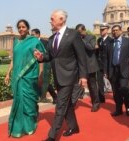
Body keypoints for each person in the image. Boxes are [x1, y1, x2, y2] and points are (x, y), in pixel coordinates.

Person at [34, 9, 88, 141]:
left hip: (69, 76)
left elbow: (82, 57)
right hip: (58, 77)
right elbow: (49, 56)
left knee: (60, 105)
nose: (50, 21)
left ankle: (52, 136)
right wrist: (41, 57)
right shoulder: (52, 38)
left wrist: (83, 76)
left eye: (52, 19)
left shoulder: (73, 35)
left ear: (61, 19)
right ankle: (74, 127)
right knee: (67, 104)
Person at [4, 19, 45, 137]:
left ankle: (29, 125)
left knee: (29, 102)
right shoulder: (16, 43)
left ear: (27, 28)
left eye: (23, 27)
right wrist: (8, 73)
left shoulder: (34, 41)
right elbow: (13, 59)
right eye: (19, 27)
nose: (21, 29)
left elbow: (41, 59)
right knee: (18, 101)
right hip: (17, 77)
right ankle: (17, 127)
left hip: (29, 77)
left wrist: (41, 74)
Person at [104, 24, 129, 117]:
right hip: (112, 70)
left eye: (116, 30)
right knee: (115, 92)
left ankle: (128, 105)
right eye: (113, 30)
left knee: (124, 89)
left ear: (121, 31)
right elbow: (106, 58)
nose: (114, 32)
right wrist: (106, 71)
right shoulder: (109, 43)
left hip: (124, 69)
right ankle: (118, 109)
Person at [75, 24, 100, 112]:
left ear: (84, 30)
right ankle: (73, 102)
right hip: (80, 65)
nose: (79, 33)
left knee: (92, 86)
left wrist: (82, 40)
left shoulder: (91, 37)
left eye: (80, 32)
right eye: (78, 32)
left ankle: (96, 103)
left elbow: (91, 47)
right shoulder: (76, 38)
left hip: (90, 66)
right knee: (77, 85)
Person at [31, 28, 57, 104]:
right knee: (41, 81)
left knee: (45, 81)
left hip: (46, 64)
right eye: (31, 35)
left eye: (33, 35)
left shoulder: (45, 42)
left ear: (38, 34)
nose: (31, 36)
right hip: (36, 64)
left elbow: (49, 54)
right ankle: (53, 97)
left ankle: (45, 97)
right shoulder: (31, 43)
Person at [96, 23, 113, 103]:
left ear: (107, 30)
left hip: (108, 64)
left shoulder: (110, 40)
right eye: (100, 29)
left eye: (103, 29)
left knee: (112, 81)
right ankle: (101, 98)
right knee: (100, 82)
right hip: (99, 64)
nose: (101, 31)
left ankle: (117, 97)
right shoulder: (99, 40)